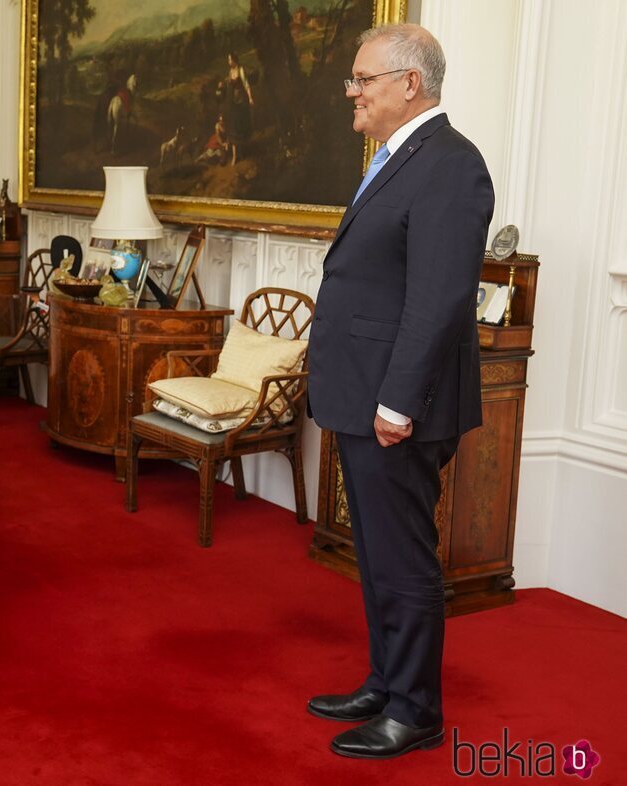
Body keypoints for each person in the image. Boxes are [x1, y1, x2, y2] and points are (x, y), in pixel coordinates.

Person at [306, 24, 494, 759]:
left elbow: (439, 298)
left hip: (397, 402)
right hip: (365, 393)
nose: (352, 92)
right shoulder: (397, 158)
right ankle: (386, 680)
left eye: (363, 79)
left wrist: (397, 402)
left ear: (408, 84)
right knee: (378, 551)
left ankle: (415, 709)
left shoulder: (450, 163)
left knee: (404, 554)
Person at [222, 53, 253, 166]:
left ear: (234, 60)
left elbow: (246, 84)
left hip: (241, 103)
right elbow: (229, 85)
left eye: (229, 60)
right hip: (233, 104)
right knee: (233, 129)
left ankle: (241, 153)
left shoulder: (241, 70)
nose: (228, 62)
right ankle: (235, 156)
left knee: (241, 128)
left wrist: (250, 98)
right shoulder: (230, 72)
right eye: (228, 60)